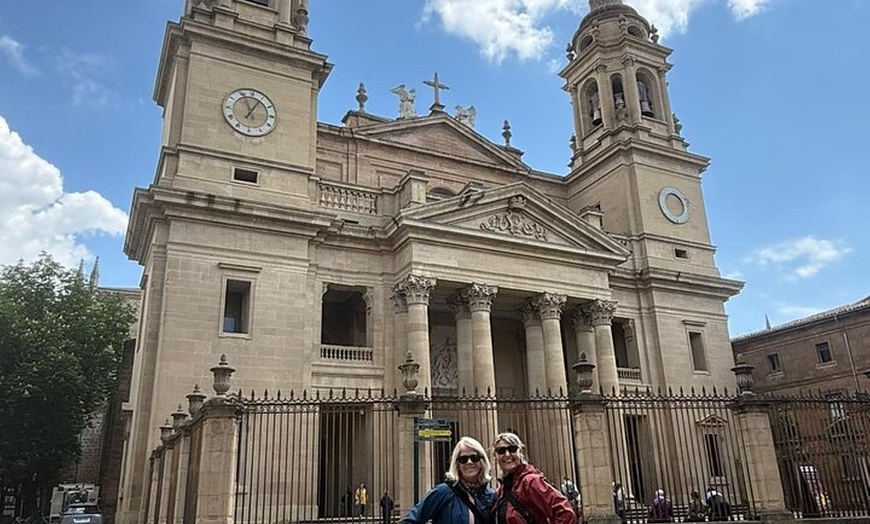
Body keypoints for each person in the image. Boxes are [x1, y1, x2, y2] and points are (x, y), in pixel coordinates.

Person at [400, 436, 495, 524]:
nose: (469, 462)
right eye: (463, 459)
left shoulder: (491, 495)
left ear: (482, 461)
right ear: (457, 464)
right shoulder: (443, 492)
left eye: (474, 458)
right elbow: (410, 521)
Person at [491, 432, 575, 524]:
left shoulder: (531, 481)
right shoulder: (501, 491)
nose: (507, 454)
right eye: (501, 451)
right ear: (495, 456)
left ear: (520, 452)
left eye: (512, 449)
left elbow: (565, 512)